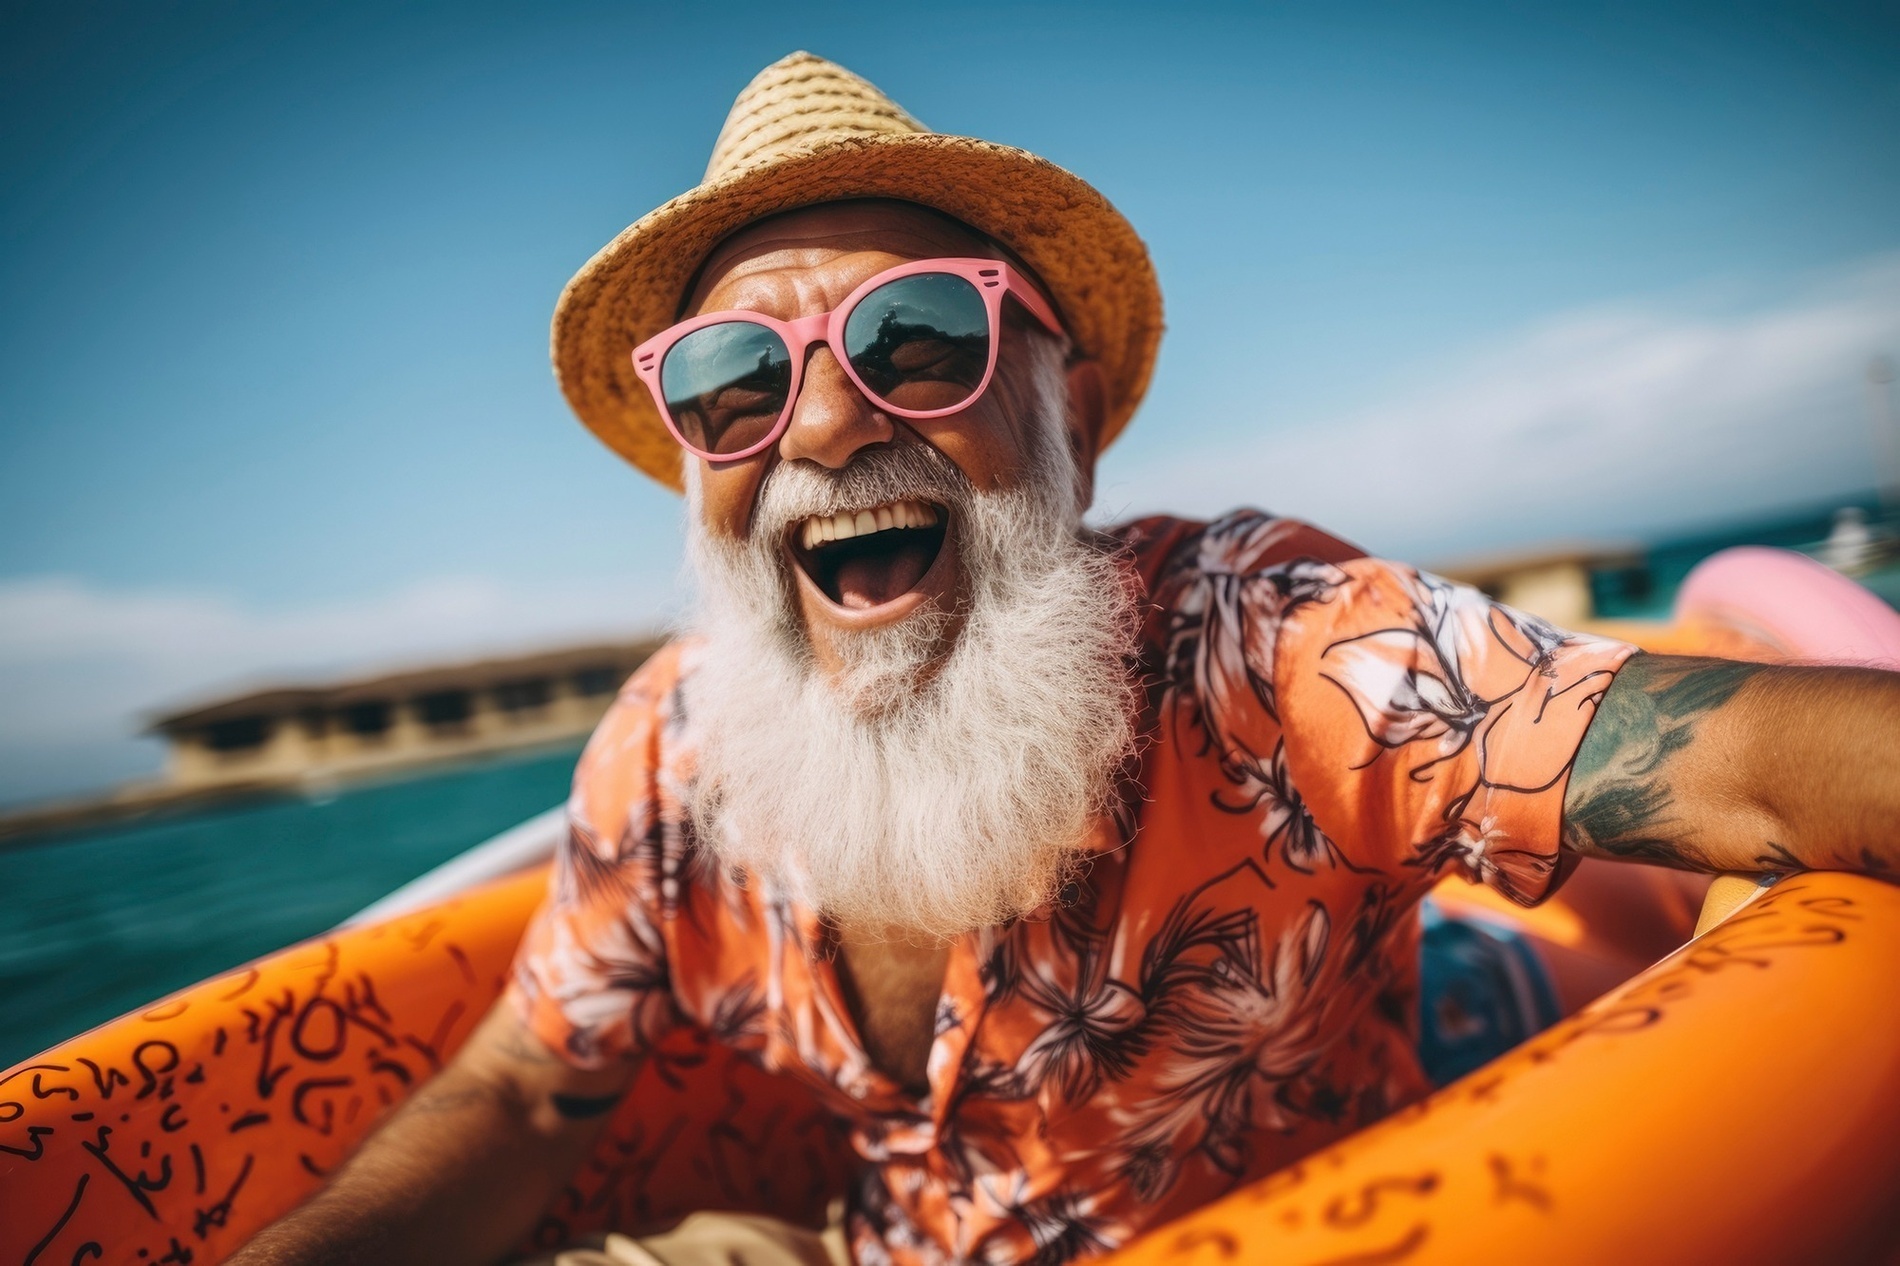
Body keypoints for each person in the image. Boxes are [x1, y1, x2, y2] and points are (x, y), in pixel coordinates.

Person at [231, 52, 1900, 1266]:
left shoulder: (1265, 641)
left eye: (918, 338)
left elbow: (1755, 759)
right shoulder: (671, 754)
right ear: (696, 464)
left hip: (1337, 1189)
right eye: (736, 377)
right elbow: (528, 1094)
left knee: (1510, 965)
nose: (821, 419)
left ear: (1072, 420)